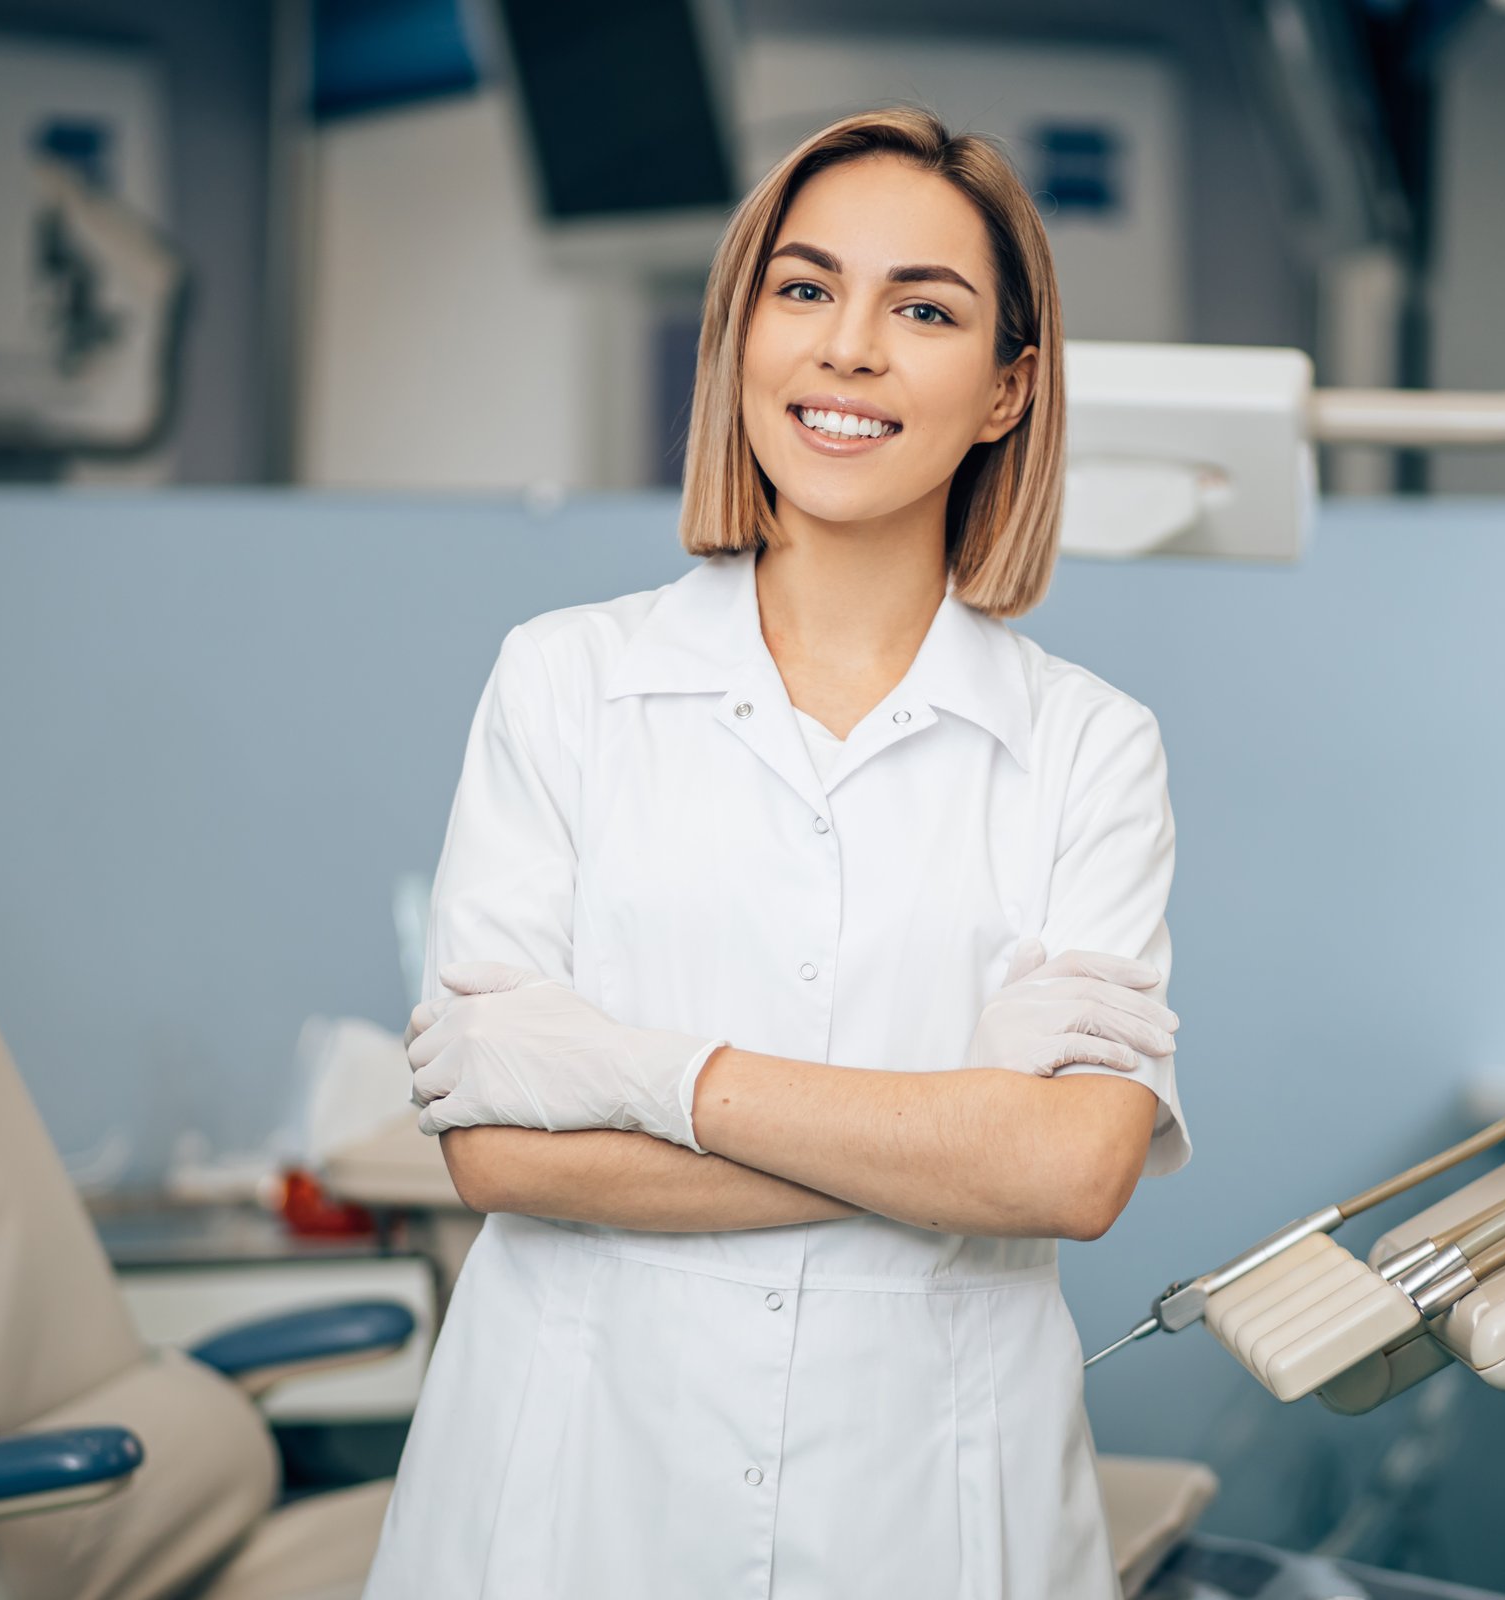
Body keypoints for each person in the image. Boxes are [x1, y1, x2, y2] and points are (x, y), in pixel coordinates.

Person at [362, 107, 1190, 1600]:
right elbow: (492, 1152)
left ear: (1009, 390)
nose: (849, 348)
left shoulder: (1089, 748)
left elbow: (1072, 1172)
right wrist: (952, 1137)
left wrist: (624, 1077)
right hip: (575, 1492)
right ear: (741, 329)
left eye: (922, 310)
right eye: (803, 290)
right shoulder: (563, 685)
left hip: (924, 1510)